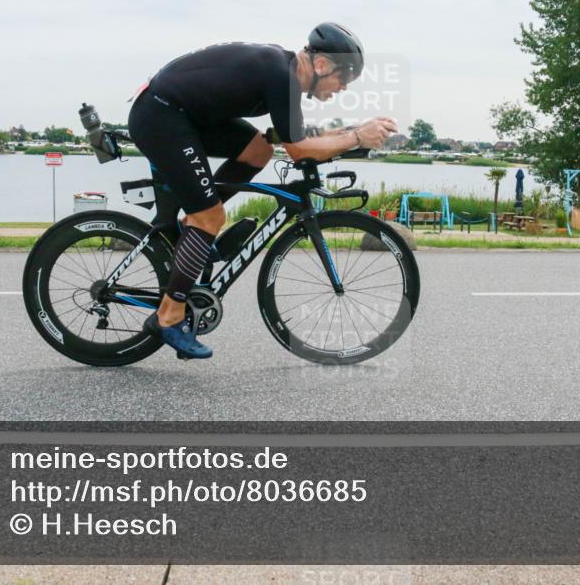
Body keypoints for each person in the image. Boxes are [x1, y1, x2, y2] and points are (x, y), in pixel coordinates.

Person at [127, 22, 398, 359]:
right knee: (210, 216)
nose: (343, 88)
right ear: (322, 65)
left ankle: (193, 228)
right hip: (161, 115)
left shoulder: (282, 73)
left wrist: (352, 130)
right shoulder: (280, 75)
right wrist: (357, 137)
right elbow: (299, 150)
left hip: (182, 114)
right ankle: (168, 316)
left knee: (258, 150)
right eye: (344, 79)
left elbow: (291, 137)